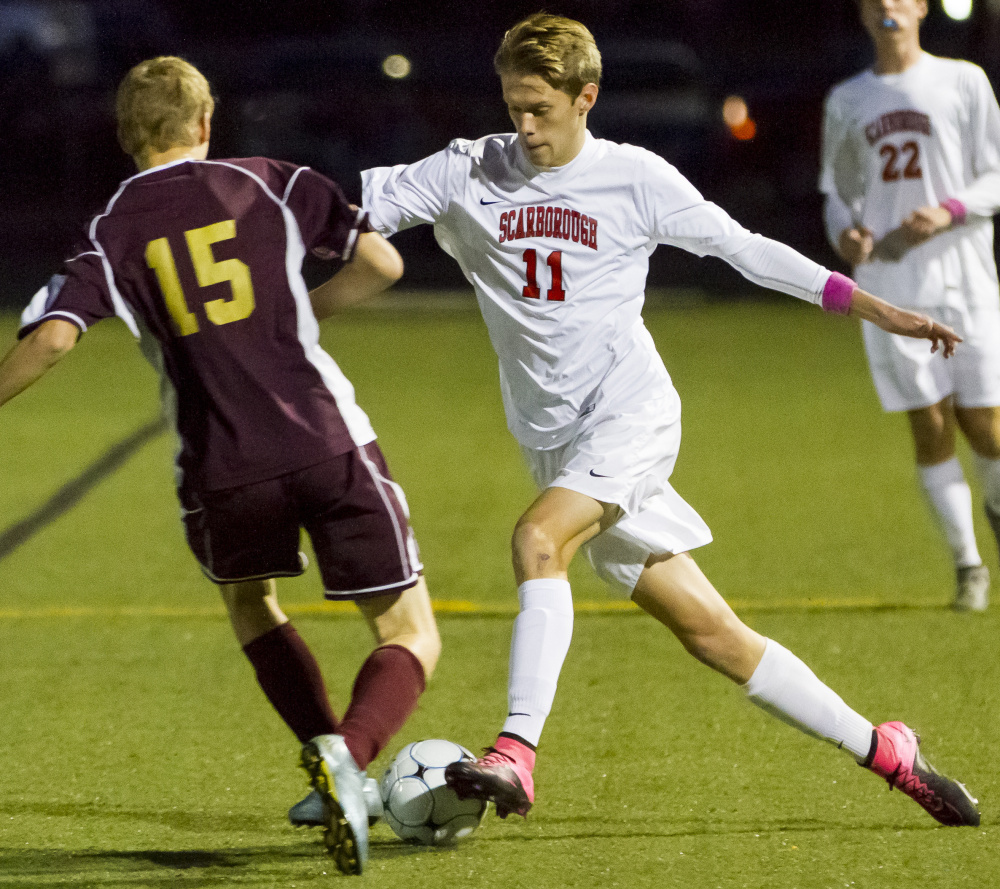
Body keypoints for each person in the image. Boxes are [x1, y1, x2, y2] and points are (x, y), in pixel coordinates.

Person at [359, 13, 980, 828]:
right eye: (514, 105)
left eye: (541, 108)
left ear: (587, 97)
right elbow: (350, 208)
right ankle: (886, 748)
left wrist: (869, 305)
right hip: (553, 443)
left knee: (536, 542)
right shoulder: (468, 170)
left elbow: (744, 248)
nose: (524, 126)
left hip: (630, 417)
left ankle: (516, 749)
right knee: (712, 632)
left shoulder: (636, 178)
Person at [0, 56, 442, 876]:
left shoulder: (111, 227)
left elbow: (55, 338)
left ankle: (327, 762)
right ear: (206, 122)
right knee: (410, 628)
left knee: (251, 602)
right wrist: (306, 312)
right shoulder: (270, 179)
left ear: (127, 135)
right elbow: (382, 262)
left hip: (218, 465)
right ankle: (349, 754)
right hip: (326, 437)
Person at [821, 0, 1000, 612]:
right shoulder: (849, 97)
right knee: (929, 424)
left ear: (921, 7)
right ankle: (968, 565)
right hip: (891, 285)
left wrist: (947, 210)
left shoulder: (962, 80)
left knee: (987, 425)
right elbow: (836, 193)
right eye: (874, 1)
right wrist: (844, 232)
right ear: (863, 15)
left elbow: (995, 175)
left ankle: (996, 507)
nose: (886, 8)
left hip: (966, 278)